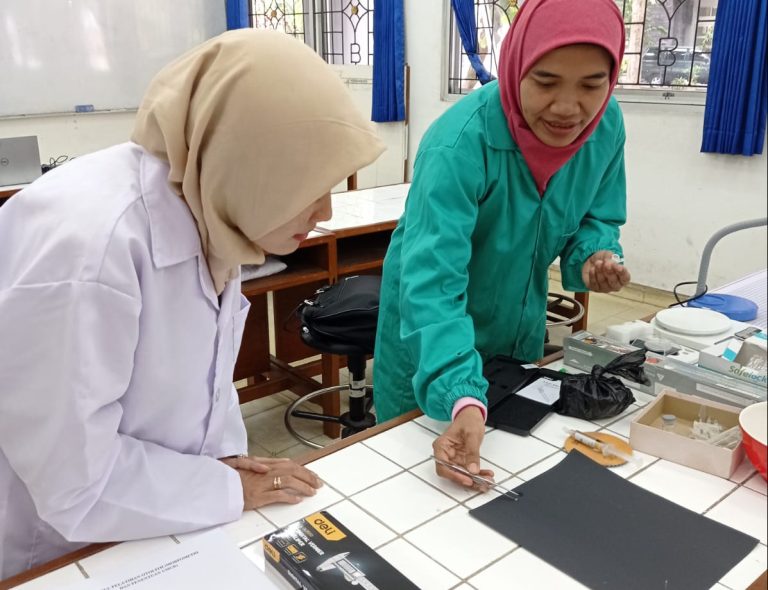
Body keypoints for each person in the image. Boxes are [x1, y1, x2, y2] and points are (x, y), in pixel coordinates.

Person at [0, 29, 384, 580]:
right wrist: (228, 488)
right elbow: (73, 481)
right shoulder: (92, 250)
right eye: (308, 185)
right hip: (60, 551)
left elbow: (203, 383)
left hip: (153, 523)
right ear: (249, 161)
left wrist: (228, 468)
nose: (324, 212)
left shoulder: (211, 205)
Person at [373, 0, 630, 490]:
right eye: (546, 81)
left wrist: (593, 254)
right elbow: (431, 285)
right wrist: (461, 394)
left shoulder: (604, 128)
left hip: (516, 336)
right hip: (431, 345)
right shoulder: (459, 145)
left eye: (592, 85)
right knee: (415, 491)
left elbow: (595, 215)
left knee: (516, 472)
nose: (567, 107)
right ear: (513, 68)